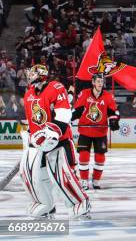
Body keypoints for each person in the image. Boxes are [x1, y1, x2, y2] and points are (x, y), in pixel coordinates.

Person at [19, 64, 91, 218]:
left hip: (59, 141)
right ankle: (46, 205)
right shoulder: (29, 94)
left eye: (32, 73)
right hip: (40, 144)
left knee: (63, 176)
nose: (29, 76)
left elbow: (64, 116)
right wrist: (31, 135)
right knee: (34, 175)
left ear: (41, 75)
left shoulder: (56, 87)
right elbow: (32, 120)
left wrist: (50, 133)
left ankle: (79, 203)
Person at [72, 73, 120, 190]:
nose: (100, 84)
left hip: (100, 132)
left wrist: (114, 121)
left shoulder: (108, 96)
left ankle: (96, 180)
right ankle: (84, 181)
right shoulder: (85, 94)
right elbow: (77, 110)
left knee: (100, 157)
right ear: (93, 82)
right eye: (98, 81)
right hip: (85, 131)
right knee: (83, 156)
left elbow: (113, 112)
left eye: (101, 82)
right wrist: (70, 117)